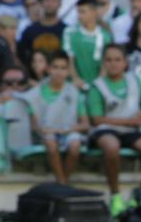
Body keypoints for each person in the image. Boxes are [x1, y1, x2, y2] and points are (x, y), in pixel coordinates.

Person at [88, 44, 141, 217]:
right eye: (108, 60)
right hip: (106, 130)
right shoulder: (97, 86)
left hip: (130, 130)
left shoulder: (134, 81)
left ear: (125, 63)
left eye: (117, 60)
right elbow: (96, 119)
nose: (113, 64)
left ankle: (140, 193)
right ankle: (115, 195)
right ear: (103, 63)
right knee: (111, 146)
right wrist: (128, 121)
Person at [22, 50, 88, 185]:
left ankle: (64, 181)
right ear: (48, 69)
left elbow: (85, 124)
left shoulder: (74, 92)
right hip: (46, 134)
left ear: (68, 71)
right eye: (55, 67)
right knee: (51, 145)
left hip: (68, 132)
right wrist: (45, 130)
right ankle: (62, 182)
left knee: (75, 144)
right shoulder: (36, 92)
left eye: (63, 68)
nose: (59, 72)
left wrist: (67, 130)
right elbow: (35, 126)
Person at [62, 0, 112, 89]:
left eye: (83, 12)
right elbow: (69, 59)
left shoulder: (105, 36)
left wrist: (98, 84)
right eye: (78, 12)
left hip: (97, 86)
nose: (79, 15)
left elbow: (105, 64)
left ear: (93, 13)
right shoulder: (70, 32)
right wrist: (75, 78)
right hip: (74, 86)